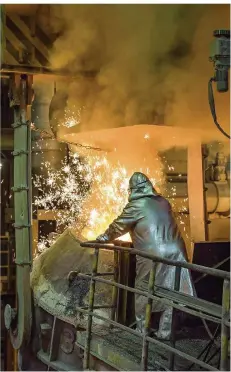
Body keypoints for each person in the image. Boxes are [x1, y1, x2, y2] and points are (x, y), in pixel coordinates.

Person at [96, 172, 195, 340]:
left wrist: (102, 238)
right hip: (177, 251)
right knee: (171, 292)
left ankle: (143, 330)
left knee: (144, 289)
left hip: (153, 254)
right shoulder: (163, 202)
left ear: (133, 190)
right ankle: (165, 332)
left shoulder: (136, 205)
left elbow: (118, 227)